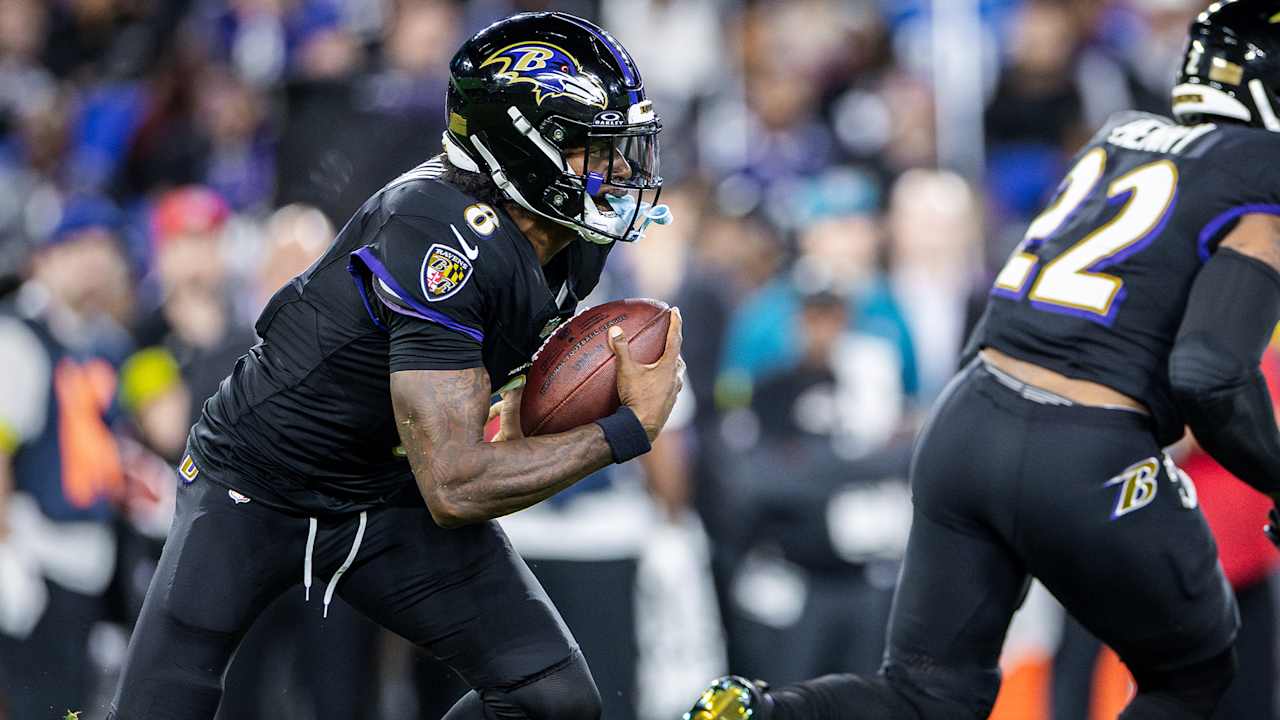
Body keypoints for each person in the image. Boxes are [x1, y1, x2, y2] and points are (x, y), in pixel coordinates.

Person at [688, 2, 1280, 719]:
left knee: (926, 691)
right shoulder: (1261, 172)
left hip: (968, 420)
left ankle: (765, 711)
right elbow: (1210, 374)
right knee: (1194, 675)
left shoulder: (1120, 134)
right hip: (1085, 446)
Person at [107, 12, 683, 720]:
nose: (619, 170)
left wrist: (517, 407)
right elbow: (457, 485)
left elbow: (478, 403)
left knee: (551, 701)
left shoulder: (570, 238)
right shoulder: (436, 231)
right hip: (258, 483)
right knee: (158, 708)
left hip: (384, 488)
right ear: (522, 146)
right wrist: (626, 430)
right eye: (590, 148)